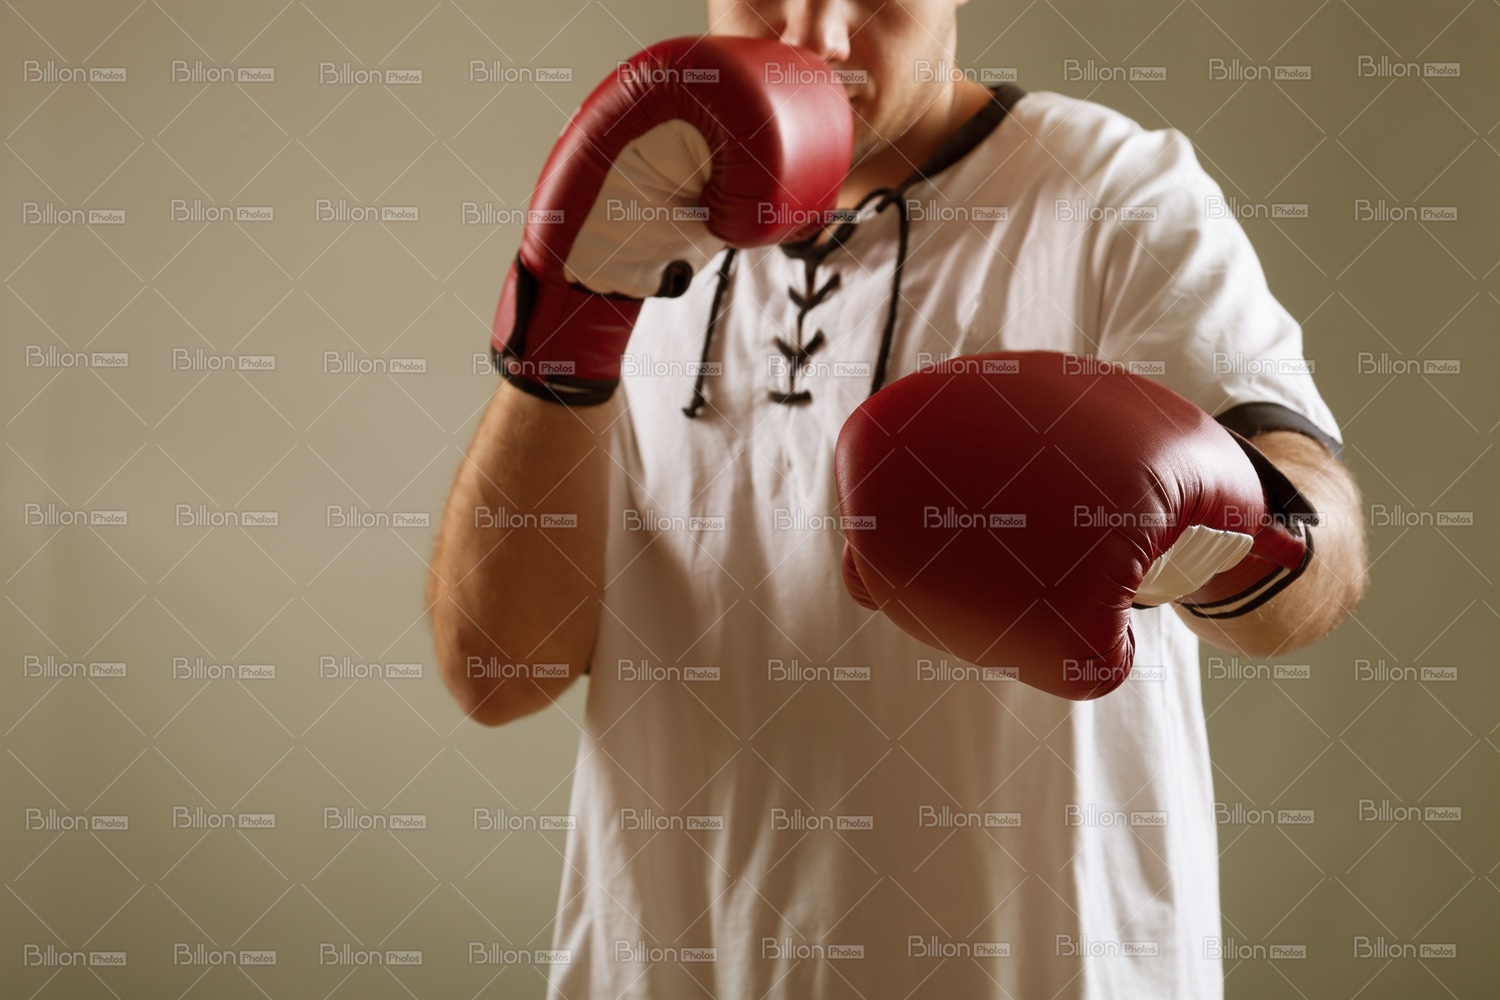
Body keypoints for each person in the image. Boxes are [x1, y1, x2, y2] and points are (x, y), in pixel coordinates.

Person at [428, 1, 1369, 996]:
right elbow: (499, 672)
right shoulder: (640, 194)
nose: (818, 35)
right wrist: (567, 325)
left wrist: (1228, 535)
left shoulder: (1114, 192)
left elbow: (1324, 559)